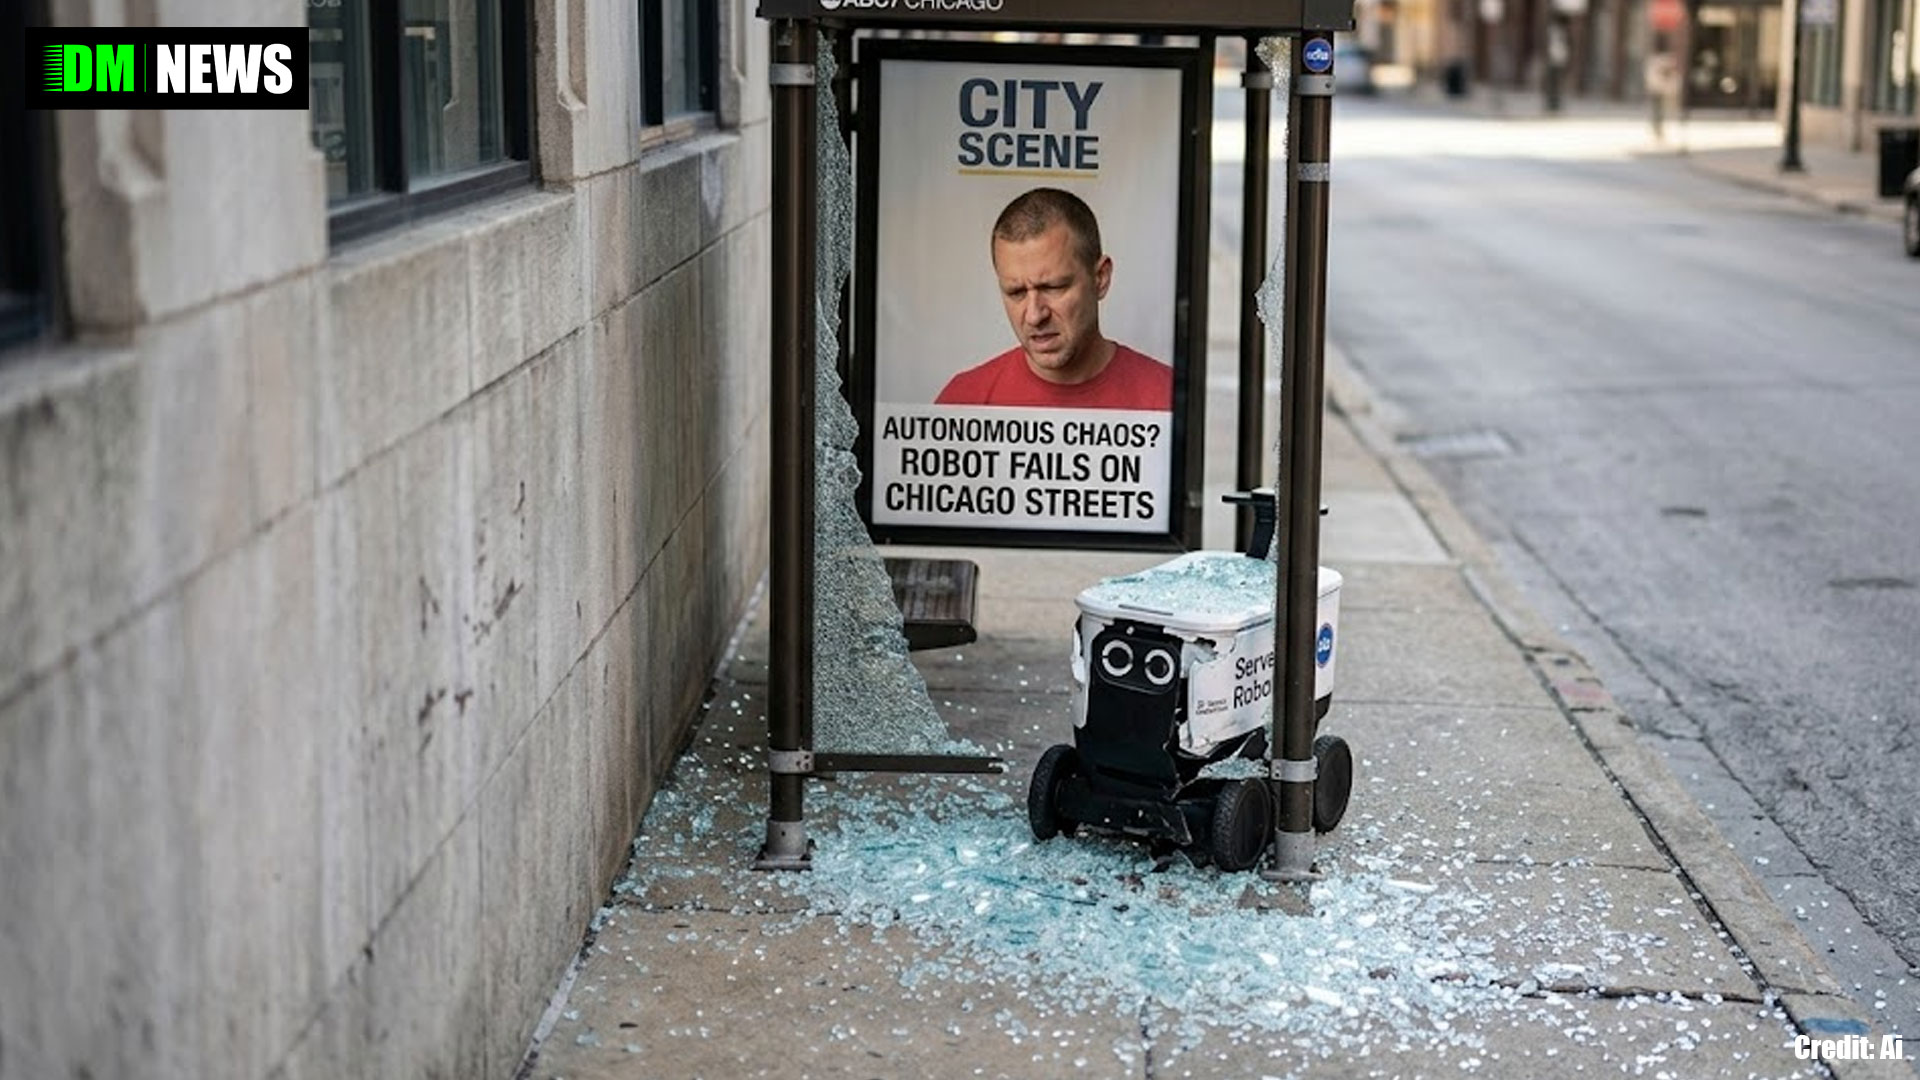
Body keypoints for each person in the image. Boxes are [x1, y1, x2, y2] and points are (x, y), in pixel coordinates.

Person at [935, 188, 1173, 410]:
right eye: (1016, 292)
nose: (1034, 316)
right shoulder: (963, 401)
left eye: (1053, 287)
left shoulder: (1167, 397)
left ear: (1100, 278)